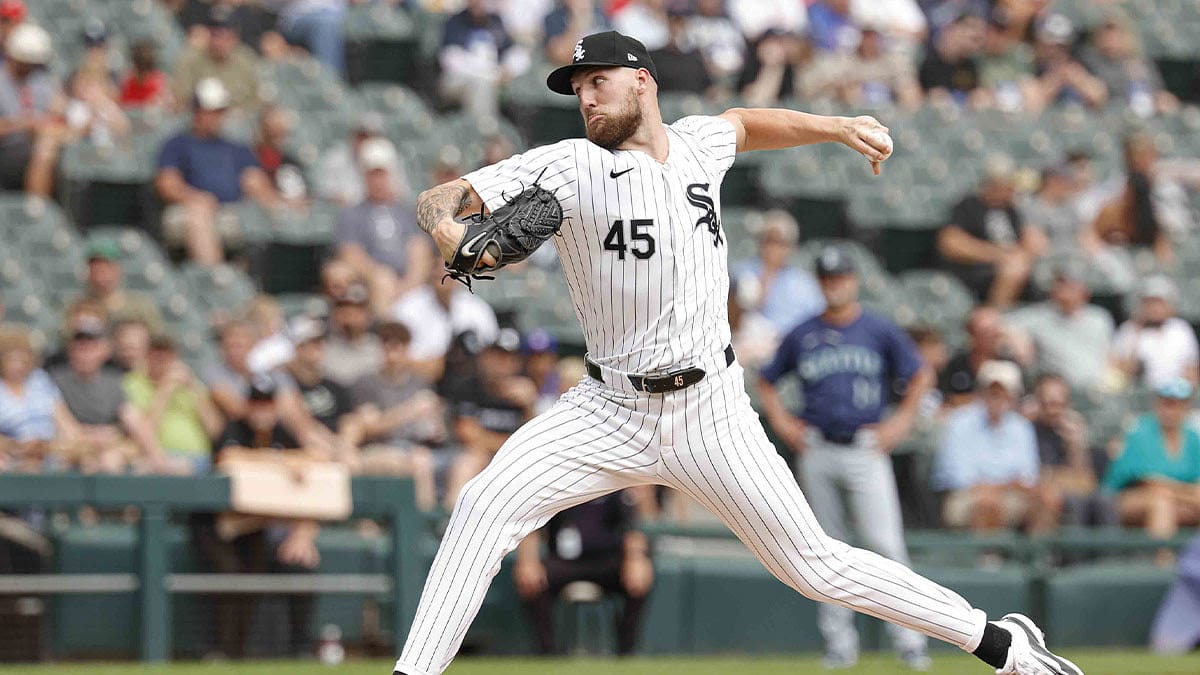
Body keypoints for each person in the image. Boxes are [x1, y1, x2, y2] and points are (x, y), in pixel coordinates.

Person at [391, 29, 1082, 675]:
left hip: (709, 410)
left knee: (815, 566)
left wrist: (836, 126)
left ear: (642, 81)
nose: (585, 97)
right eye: (576, 89)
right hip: (608, 408)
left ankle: (1004, 643)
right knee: (482, 505)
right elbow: (436, 199)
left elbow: (746, 123)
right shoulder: (571, 164)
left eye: (596, 80)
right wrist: (454, 237)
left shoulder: (697, 145)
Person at [757, 244, 934, 670]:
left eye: (840, 277)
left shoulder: (878, 329)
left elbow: (920, 374)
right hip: (818, 447)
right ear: (820, 283)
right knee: (825, 550)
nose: (834, 285)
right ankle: (840, 645)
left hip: (865, 448)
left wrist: (900, 424)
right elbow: (766, 380)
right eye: (827, 278)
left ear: (853, 280)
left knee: (886, 545)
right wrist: (783, 422)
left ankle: (910, 641)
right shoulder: (802, 333)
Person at [155, 78, 282, 265]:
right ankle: (215, 278)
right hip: (191, 209)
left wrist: (278, 203)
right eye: (211, 111)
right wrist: (194, 197)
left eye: (220, 111)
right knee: (198, 214)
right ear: (197, 112)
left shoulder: (235, 148)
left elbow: (254, 181)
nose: (216, 117)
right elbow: (167, 184)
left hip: (232, 209)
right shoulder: (178, 144)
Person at [513, 491, 653, 655]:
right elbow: (533, 528)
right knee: (532, 580)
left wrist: (636, 560)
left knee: (638, 578)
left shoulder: (615, 488)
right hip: (565, 562)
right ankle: (548, 653)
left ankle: (626, 652)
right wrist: (528, 562)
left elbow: (631, 529)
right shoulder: (558, 489)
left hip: (606, 561)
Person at [933, 360, 1057, 535]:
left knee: (1047, 497)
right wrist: (1000, 487)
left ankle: (1041, 558)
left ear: (1013, 396)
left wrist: (1006, 487)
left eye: (1004, 392)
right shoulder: (959, 422)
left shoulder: (1021, 427)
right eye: (993, 392)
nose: (998, 397)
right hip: (965, 497)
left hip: (1010, 494)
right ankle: (989, 560)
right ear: (981, 392)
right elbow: (959, 478)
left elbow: (1027, 476)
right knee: (988, 503)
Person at [46, 316, 171, 474]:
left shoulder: (112, 382)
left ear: (102, 350)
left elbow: (135, 421)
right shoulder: (55, 380)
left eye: (91, 347)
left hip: (108, 446)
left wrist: (157, 456)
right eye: (80, 346)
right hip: (72, 448)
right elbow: (64, 425)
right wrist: (93, 436)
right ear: (70, 349)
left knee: (116, 458)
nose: (85, 353)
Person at [349, 321, 440, 511]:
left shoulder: (419, 382)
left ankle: (428, 525)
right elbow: (371, 427)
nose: (393, 355)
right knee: (417, 461)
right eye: (387, 347)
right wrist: (410, 410)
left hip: (415, 446)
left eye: (398, 348)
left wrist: (435, 426)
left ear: (407, 349)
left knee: (423, 457)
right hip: (378, 447)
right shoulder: (365, 383)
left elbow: (434, 429)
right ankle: (417, 527)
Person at [1103, 378, 1200, 556]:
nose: (1170, 409)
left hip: (1179, 500)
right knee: (1161, 501)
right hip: (1125, 500)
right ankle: (1162, 572)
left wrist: (1188, 495)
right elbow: (1150, 483)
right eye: (1166, 403)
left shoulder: (1192, 437)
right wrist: (1190, 494)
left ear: (1185, 407)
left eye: (1176, 404)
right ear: (1158, 404)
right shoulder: (1141, 430)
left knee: (1170, 501)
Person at [443, 328, 536, 509]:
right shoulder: (468, 386)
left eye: (509, 358)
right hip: (468, 454)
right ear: (485, 357)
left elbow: (536, 441)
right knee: (470, 461)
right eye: (497, 356)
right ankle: (448, 523)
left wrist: (530, 406)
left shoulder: (524, 393)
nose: (502, 364)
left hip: (511, 461)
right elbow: (469, 436)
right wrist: (514, 446)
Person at [936, 156, 1047, 308]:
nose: (1013, 190)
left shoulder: (1011, 209)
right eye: (1008, 186)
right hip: (978, 269)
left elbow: (1027, 239)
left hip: (1014, 263)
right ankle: (995, 317)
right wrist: (996, 254)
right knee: (1014, 268)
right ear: (994, 184)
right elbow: (950, 243)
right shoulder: (970, 205)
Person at [335, 138, 430, 308]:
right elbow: (350, 253)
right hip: (372, 283)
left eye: (382, 174)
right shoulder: (352, 213)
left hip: (408, 284)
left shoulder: (408, 211)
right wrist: (377, 276)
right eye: (372, 175)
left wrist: (408, 285)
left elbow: (419, 250)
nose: (378, 181)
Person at [729, 210, 824, 359]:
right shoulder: (741, 272)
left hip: (788, 349)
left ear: (792, 247)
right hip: (745, 344)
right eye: (769, 240)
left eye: (781, 243)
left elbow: (816, 324)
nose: (773, 248)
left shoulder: (804, 283)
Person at [123, 334, 222, 473]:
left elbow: (215, 430)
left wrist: (193, 388)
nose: (161, 360)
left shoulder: (191, 384)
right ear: (146, 355)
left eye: (166, 355)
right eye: (156, 354)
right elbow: (145, 430)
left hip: (197, 457)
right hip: (155, 457)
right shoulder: (133, 383)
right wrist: (166, 390)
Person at [1007, 263, 1114, 391]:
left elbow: (1110, 356)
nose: (1064, 290)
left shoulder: (1099, 318)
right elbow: (995, 322)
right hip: (1060, 394)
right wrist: (1016, 337)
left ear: (1085, 292)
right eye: (1061, 283)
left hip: (1098, 390)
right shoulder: (1039, 316)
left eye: (1071, 285)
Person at [1028, 374, 1115, 528]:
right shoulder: (1028, 431)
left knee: (1104, 501)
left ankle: (1112, 552)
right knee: (1074, 501)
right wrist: (1067, 479)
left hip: (1074, 494)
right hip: (1046, 500)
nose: (1052, 410)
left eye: (1057, 404)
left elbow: (1087, 483)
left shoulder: (1071, 432)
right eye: (1046, 403)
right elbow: (1036, 478)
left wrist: (1075, 446)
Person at [0, 326, 84, 473]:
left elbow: (67, 424)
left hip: (50, 451)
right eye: (12, 359)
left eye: (22, 358)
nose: (18, 365)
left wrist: (61, 445)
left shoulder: (40, 381)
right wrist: (17, 446)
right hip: (11, 456)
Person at [0, 23, 66, 196]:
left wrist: (56, 115)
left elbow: (57, 115)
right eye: (26, 63)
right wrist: (24, 124)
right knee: (44, 152)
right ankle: (35, 214)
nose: (30, 68)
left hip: (40, 145)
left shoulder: (41, 81)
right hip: (8, 150)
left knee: (49, 148)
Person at [438, 0, 530, 121]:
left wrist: (508, 69)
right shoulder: (455, 22)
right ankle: (485, 132)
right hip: (456, 79)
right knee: (480, 86)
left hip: (493, 77)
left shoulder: (495, 21)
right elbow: (451, 61)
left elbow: (516, 53)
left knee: (521, 86)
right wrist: (492, 74)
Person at [1111, 276, 1200, 389]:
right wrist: (1136, 334)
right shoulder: (1129, 329)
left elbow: (1192, 368)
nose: (1154, 308)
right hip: (1140, 394)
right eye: (1149, 303)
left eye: (1159, 303)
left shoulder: (1180, 328)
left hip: (1175, 393)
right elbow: (1120, 370)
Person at [172, 4, 260, 114]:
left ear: (236, 37)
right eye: (215, 35)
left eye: (226, 37)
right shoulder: (190, 59)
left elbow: (257, 100)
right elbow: (180, 98)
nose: (219, 43)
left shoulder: (246, 60)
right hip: (199, 120)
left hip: (237, 122)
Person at [74, 239, 164, 332]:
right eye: (96, 270)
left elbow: (157, 340)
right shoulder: (77, 307)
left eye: (106, 269)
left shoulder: (140, 307)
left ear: (117, 270)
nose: (100, 277)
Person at [323, 282, 384, 388]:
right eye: (344, 311)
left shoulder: (381, 348)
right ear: (334, 315)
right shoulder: (321, 347)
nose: (350, 317)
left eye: (356, 312)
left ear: (368, 315)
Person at [119, 41, 173, 109]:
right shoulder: (128, 83)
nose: (141, 76)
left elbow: (169, 103)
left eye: (144, 71)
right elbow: (123, 104)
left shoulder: (159, 83)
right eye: (139, 70)